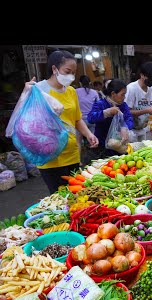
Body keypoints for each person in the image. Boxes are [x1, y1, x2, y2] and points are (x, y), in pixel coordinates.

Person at [24, 50, 98, 194]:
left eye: (74, 72)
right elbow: (28, 123)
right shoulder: (38, 90)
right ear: (54, 69)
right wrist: (25, 94)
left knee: (77, 194)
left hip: (72, 153)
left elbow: (77, 119)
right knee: (59, 197)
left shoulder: (71, 91)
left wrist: (89, 134)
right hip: (51, 156)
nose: (71, 76)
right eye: (68, 71)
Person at [87, 79, 134, 160]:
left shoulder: (123, 105)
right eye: (122, 95)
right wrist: (106, 113)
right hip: (103, 146)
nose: (124, 97)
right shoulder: (101, 104)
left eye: (125, 94)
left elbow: (129, 119)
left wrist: (125, 127)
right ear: (113, 94)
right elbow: (90, 118)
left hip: (119, 146)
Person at [125, 61, 152, 142]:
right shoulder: (131, 88)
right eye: (150, 78)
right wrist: (146, 110)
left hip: (143, 128)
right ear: (142, 75)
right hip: (130, 130)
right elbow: (126, 111)